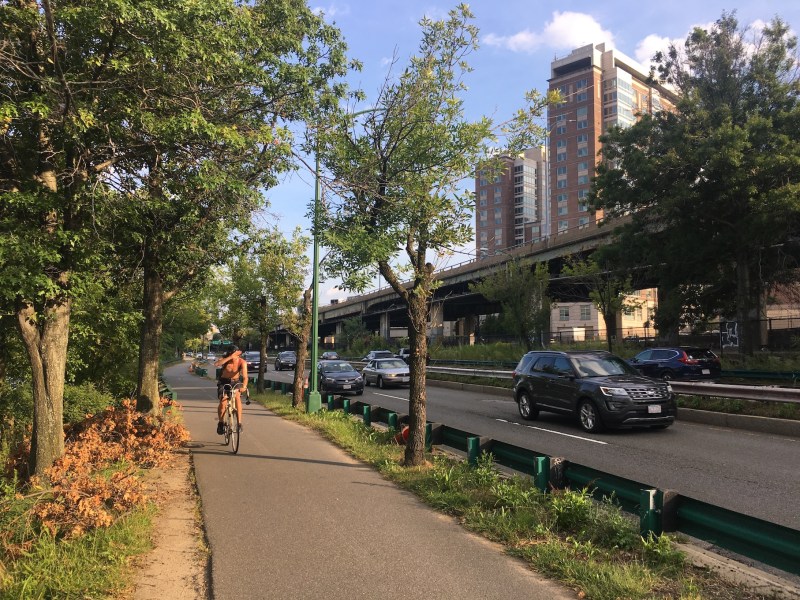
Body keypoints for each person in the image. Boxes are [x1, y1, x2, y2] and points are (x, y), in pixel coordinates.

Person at [214, 346, 248, 434]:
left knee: (237, 396)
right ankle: (221, 423)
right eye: (233, 354)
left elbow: (245, 377)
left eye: (236, 355)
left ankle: (239, 423)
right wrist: (230, 357)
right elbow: (217, 364)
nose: (235, 357)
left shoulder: (242, 362)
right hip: (223, 382)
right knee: (223, 401)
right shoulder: (225, 359)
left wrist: (244, 386)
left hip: (235, 382)